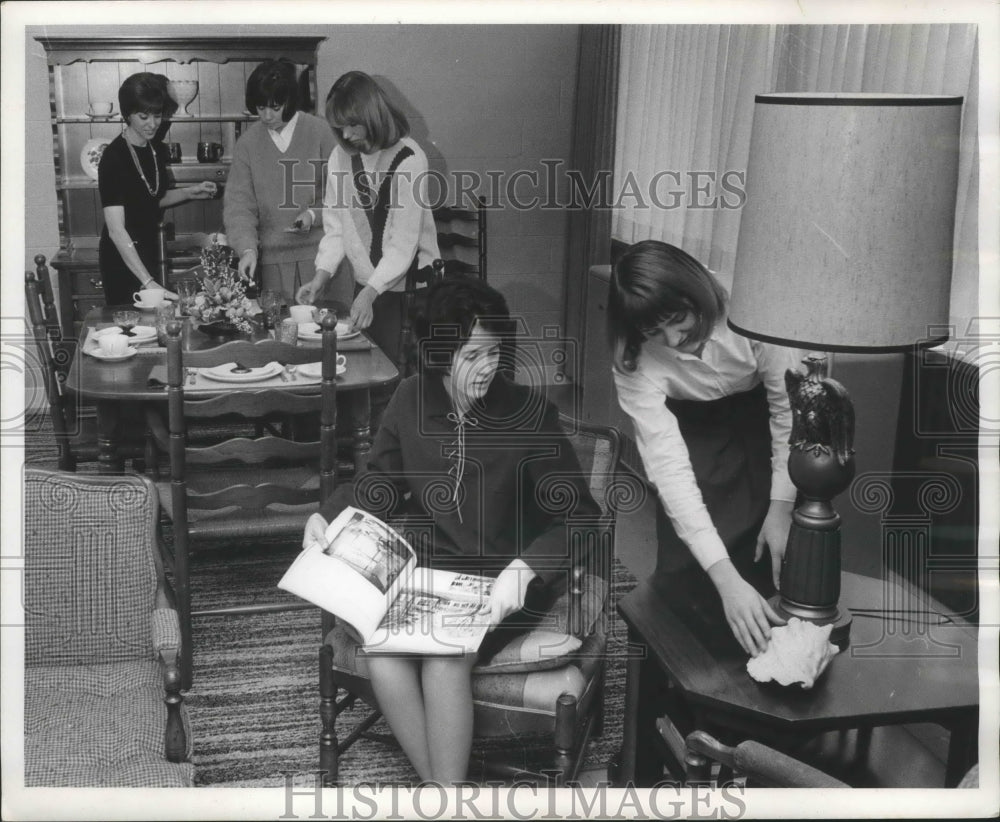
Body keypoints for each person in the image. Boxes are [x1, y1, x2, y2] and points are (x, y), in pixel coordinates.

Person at [302, 277, 601, 783]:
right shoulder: (410, 399)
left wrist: (525, 570)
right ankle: (449, 800)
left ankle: (443, 798)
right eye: (472, 355)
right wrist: (325, 517)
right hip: (429, 574)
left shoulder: (528, 414)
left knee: (444, 662)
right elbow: (378, 484)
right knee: (384, 655)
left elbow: (582, 516)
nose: (488, 367)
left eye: (495, 352)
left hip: (504, 581)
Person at [609, 240, 803, 657]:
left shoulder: (753, 303)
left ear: (696, 292)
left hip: (762, 421)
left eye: (678, 320)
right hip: (694, 429)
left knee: (769, 552)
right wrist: (725, 579)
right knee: (687, 573)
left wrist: (781, 506)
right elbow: (669, 469)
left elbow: (788, 411)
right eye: (653, 333)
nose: (673, 340)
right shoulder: (630, 357)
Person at [296, 71, 440, 364]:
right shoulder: (341, 156)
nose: (346, 135)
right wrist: (321, 276)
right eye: (340, 127)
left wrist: (371, 292)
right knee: (364, 372)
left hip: (407, 290)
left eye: (352, 124)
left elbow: (403, 244)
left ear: (373, 115)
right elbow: (337, 226)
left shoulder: (411, 159)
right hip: (369, 288)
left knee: (392, 376)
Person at [98, 73, 218, 306]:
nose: (152, 124)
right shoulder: (113, 158)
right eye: (144, 116)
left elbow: (150, 199)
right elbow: (116, 231)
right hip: (123, 259)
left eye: (157, 115)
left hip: (149, 250)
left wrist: (191, 191)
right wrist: (147, 281)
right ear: (128, 115)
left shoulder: (155, 150)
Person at [223, 59, 336, 298]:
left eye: (275, 107)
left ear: (290, 101)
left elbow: (343, 197)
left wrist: (313, 215)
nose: (266, 116)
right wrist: (246, 249)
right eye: (260, 107)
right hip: (271, 263)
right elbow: (239, 206)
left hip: (323, 259)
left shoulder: (320, 132)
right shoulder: (247, 144)